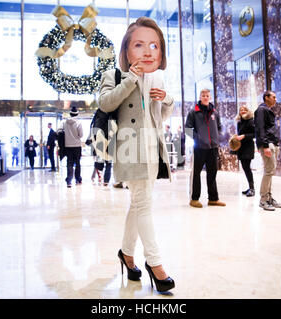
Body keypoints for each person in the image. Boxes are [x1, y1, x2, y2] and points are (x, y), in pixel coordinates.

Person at [98, 17, 175, 293]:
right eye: (139, 44)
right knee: (143, 205)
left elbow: (163, 116)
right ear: (127, 51)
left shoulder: (158, 76)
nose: (147, 51)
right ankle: (156, 264)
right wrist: (131, 78)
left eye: (154, 45)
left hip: (154, 148)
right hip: (130, 147)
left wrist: (165, 99)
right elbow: (105, 102)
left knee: (138, 203)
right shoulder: (114, 75)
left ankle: (126, 254)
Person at [185, 89, 226, 208]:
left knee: (212, 174)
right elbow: (187, 129)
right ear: (200, 97)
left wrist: (217, 138)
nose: (205, 97)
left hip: (213, 148)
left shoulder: (215, 112)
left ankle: (213, 199)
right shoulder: (194, 112)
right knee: (196, 174)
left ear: (210, 97)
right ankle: (194, 199)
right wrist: (198, 139)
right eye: (203, 95)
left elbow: (219, 127)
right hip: (199, 148)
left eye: (207, 95)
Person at [254, 90, 281, 211]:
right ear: (266, 98)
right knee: (268, 171)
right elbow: (260, 128)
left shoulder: (267, 110)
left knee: (270, 171)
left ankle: (269, 197)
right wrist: (265, 145)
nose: (275, 99)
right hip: (268, 144)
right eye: (273, 97)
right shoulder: (261, 110)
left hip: (272, 143)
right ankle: (263, 199)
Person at [235, 106, 255, 197]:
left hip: (248, 147)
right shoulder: (239, 122)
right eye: (241, 110)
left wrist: (244, 136)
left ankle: (252, 188)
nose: (242, 111)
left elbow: (254, 134)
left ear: (248, 111)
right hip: (241, 147)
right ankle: (250, 187)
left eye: (244, 110)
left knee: (247, 168)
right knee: (245, 167)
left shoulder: (251, 121)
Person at [60, 106, 83, 187]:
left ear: (70, 114)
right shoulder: (78, 123)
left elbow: (58, 131)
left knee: (69, 163)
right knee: (77, 163)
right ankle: (78, 179)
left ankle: (69, 181)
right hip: (77, 146)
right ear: (77, 114)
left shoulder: (64, 122)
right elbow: (81, 135)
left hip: (68, 146)